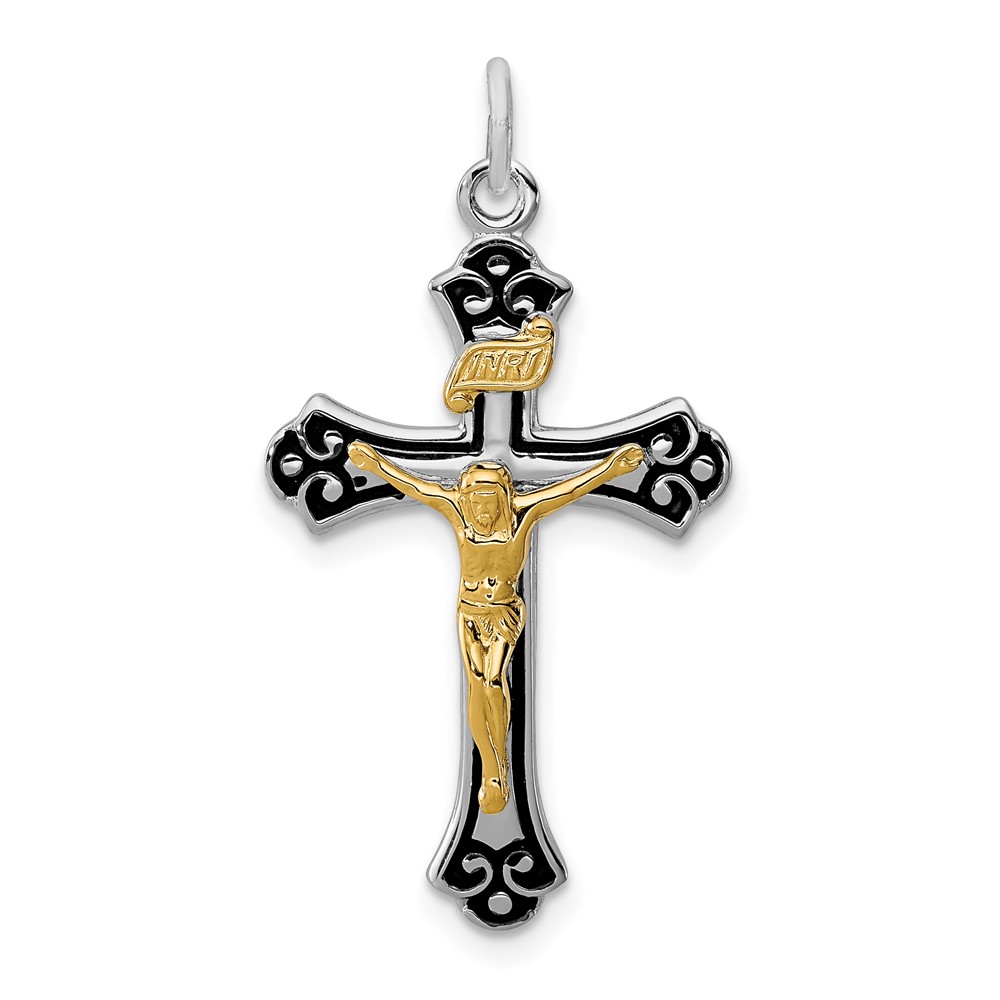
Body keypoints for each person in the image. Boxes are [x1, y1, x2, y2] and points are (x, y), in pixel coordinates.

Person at [348, 440, 645, 814]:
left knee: (492, 679)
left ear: (503, 499)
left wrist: (612, 469)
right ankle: (492, 767)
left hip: (504, 613)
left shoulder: (524, 514)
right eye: (476, 501)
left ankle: (500, 760)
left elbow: (568, 490)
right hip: (469, 613)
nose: (482, 510)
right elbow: (416, 486)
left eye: (489, 501)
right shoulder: (457, 514)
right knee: (476, 681)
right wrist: (374, 464)